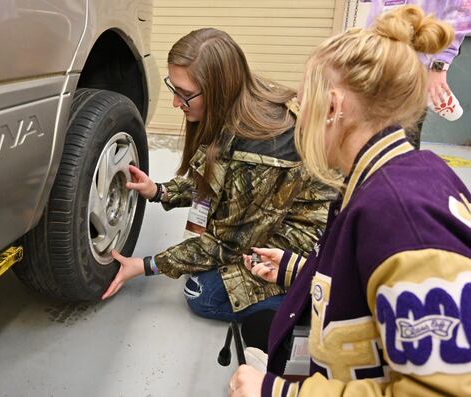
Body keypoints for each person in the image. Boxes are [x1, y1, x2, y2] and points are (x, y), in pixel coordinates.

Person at [229, 6, 471, 396]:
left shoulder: (398, 213)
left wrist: (279, 392)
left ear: (332, 108)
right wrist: (297, 269)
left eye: (303, 102)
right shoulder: (391, 176)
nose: (298, 116)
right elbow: (374, 275)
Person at [100, 28, 334, 322]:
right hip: (265, 218)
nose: (176, 103)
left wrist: (146, 265)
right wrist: (158, 191)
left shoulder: (261, 152)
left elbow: (227, 244)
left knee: (201, 295)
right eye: (175, 89)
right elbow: (217, 178)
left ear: (219, 89)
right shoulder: (237, 104)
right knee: (201, 270)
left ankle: (310, 302)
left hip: (301, 237)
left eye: (185, 95)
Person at [367, 0, 471, 148]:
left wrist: (439, 65)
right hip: (375, 49)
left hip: (418, 56)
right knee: (367, 126)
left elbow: (461, 11)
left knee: (400, 135)